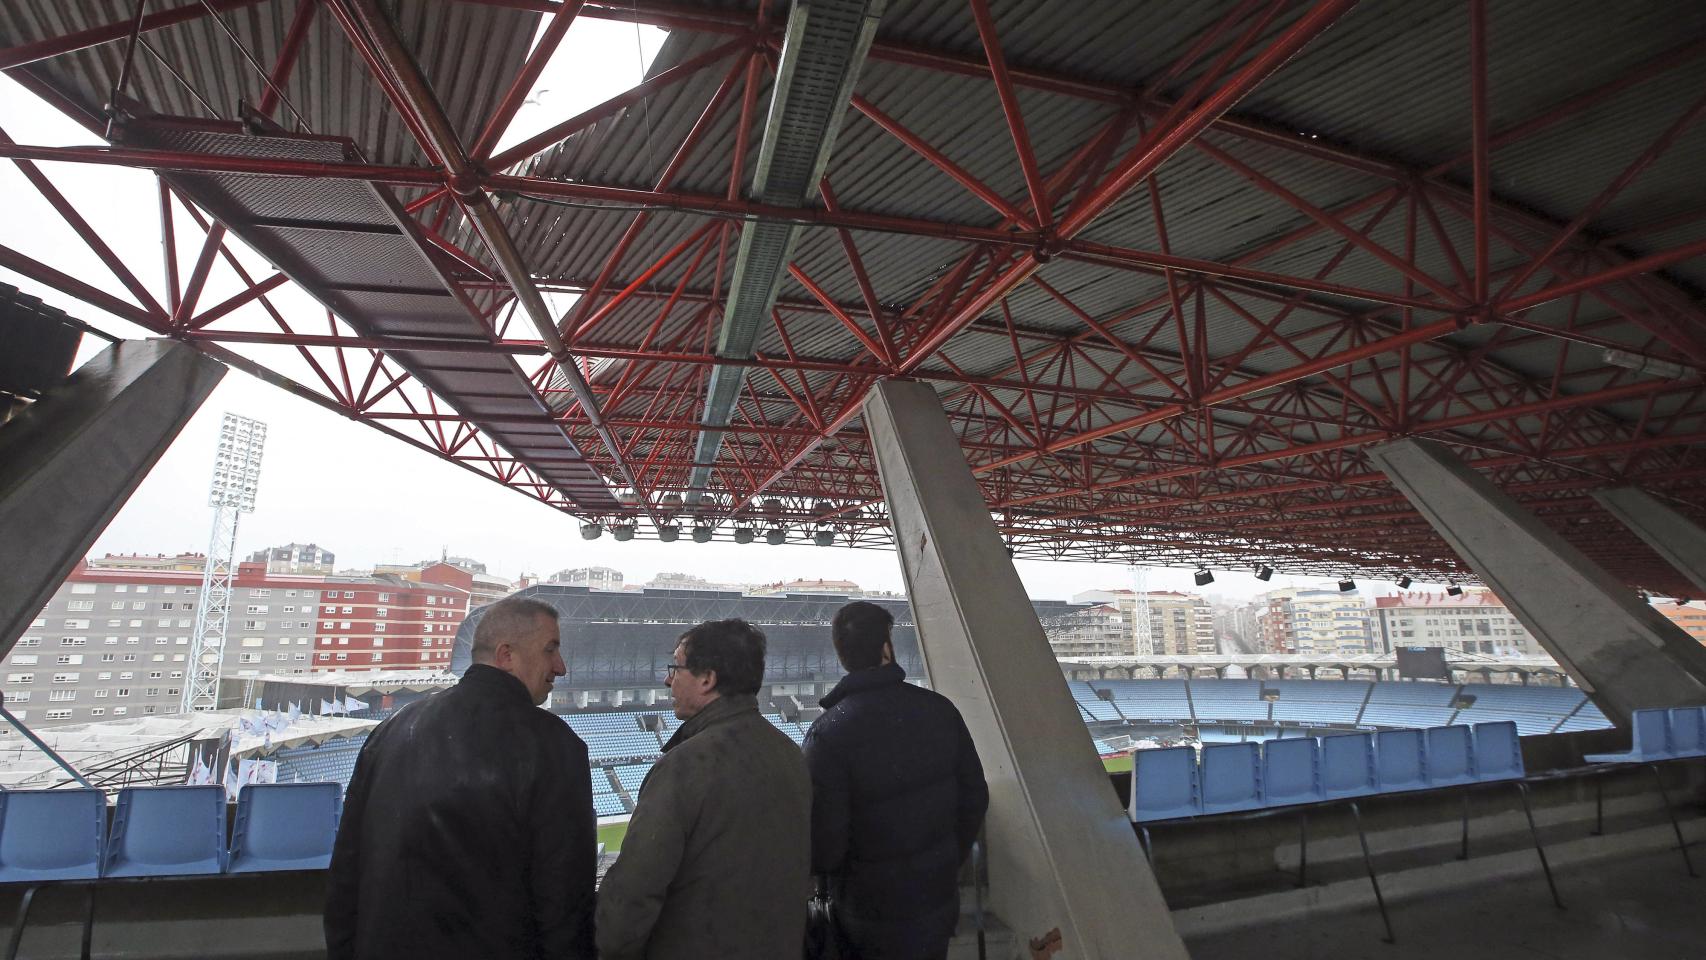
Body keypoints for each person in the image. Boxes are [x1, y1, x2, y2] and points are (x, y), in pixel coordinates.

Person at [324, 597, 596, 960]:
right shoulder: (553, 747)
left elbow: (345, 879)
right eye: (550, 649)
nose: (560, 667)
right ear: (506, 655)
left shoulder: (391, 730)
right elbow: (565, 904)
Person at [596, 617, 811, 960]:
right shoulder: (790, 754)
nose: (668, 680)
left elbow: (632, 897)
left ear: (707, 679)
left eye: (676, 668)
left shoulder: (684, 766)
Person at [803, 601, 989, 960]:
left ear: (842, 655)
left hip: (866, 916)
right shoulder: (941, 710)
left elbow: (826, 847)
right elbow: (975, 796)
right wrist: (947, 860)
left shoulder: (828, 734)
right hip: (935, 902)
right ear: (887, 648)